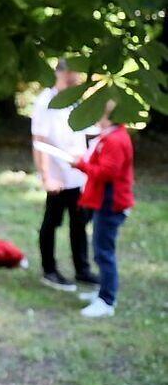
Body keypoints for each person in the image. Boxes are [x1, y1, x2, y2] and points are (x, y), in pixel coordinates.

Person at [31, 60, 98, 292]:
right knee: (52, 222)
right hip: (57, 176)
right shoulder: (46, 101)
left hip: (78, 175)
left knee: (79, 223)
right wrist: (46, 176)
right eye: (72, 73)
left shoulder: (76, 99)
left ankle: (82, 269)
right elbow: (40, 141)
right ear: (61, 73)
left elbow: (88, 134)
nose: (76, 78)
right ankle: (49, 270)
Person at [66, 100, 135, 319]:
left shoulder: (115, 140)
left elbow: (107, 173)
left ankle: (107, 300)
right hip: (105, 202)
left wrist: (80, 165)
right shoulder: (111, 136)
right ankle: (103, 292)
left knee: (103, 252)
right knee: (101, 250)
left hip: (111, 204)